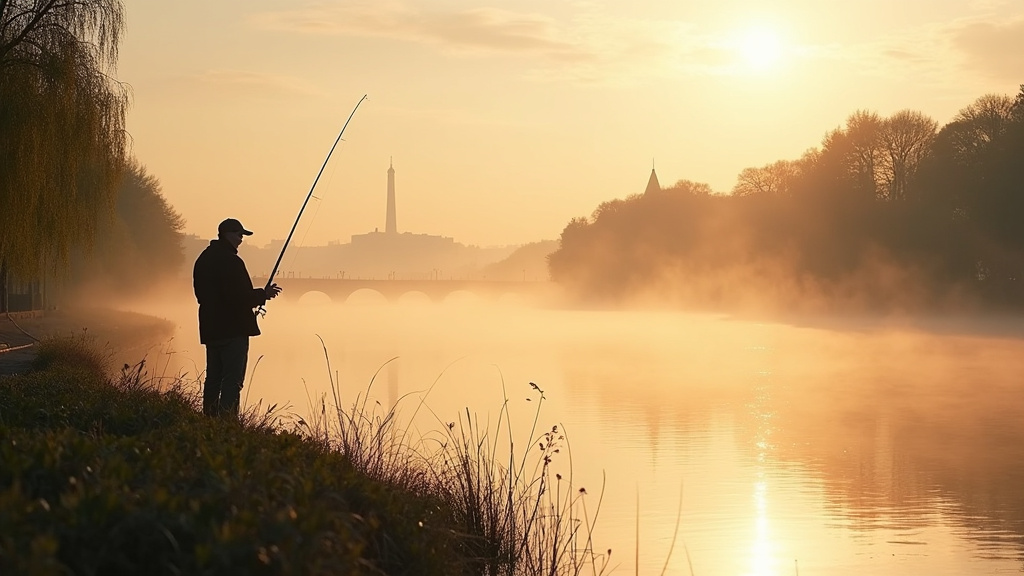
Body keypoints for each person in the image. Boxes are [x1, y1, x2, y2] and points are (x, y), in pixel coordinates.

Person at [192, 218, 281, 418]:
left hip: (211, 329)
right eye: (239, 234)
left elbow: (202, 295)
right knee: (233, 381)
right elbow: (238, 297)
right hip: (233, 330)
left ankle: (209, 418)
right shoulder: (232, 261)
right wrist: (262, 294)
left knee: (213, 379)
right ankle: (227, 424)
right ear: (226, 234)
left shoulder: (203, 259)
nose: (241, 239)